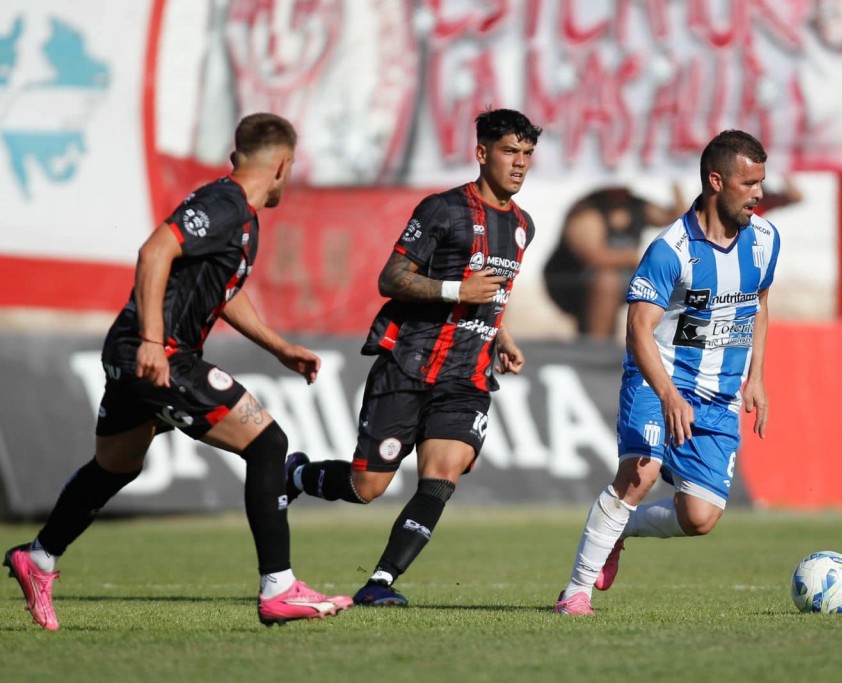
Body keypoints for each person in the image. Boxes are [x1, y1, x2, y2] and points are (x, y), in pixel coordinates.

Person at [3, 113, 352, 630]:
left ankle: (40, 557)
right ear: (281, 166)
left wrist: (279, 346)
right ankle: (279, 588)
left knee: (116, 467)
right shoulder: (226, 205)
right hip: (159, 354)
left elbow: (223, 295)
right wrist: (151, 341)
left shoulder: (238, 215)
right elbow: (155, 250)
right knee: (268, 445)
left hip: (133, 354)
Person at [284, 108, 542, 606]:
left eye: (527, 154)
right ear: (483, 152)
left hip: (467, 375)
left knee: (441, 475)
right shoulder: (441, 210)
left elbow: (490, 293)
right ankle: (295, 474)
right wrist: (456, 289)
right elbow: (392, 278)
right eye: (510, 151)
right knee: (367, 486)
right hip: (408, 364)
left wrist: (501, 333)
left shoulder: (523, 226)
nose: (520, 164)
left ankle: (380, 582)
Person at [554, 129, 781, 615]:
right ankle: (575, 591)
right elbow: (638, 328)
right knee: (640, 474)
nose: (759, 194)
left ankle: (620, 529)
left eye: (762, 181)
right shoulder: (671, 250)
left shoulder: (764, 240)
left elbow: (759, 303)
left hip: (718, 395)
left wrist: (757, 375)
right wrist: (667, 393)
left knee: (700, 518)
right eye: (749, 183)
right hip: (659, 380)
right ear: (716, 182)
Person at [542, 185, 686, 340]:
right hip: (570, 280)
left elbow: (680, 219)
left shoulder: (637, 205)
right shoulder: (587, 211)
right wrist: (632, 257)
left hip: (620, 279)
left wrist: (675, 181)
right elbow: (593, 256)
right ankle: (597, 346)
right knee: (607, 279)